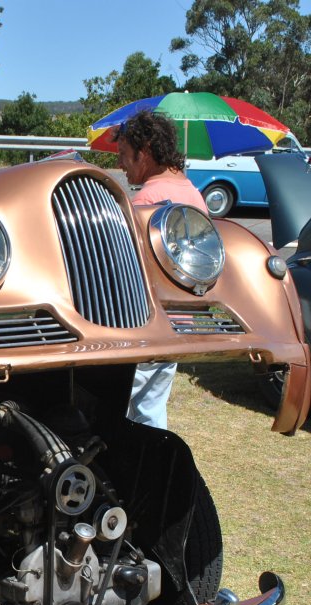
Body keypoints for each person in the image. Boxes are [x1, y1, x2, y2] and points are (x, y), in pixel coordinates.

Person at [113, 112, 210, 430]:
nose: (121, 166)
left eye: (125, 156)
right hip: (181, 317)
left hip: (148, 321)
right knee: (152, 405)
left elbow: (129, 267)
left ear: (145, 152)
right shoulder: (193, 194)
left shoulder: (149, 199)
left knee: (118, 402)